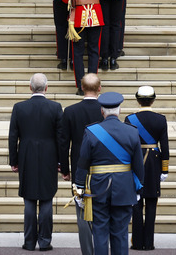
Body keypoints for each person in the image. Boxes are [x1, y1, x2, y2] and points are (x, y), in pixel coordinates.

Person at [74, 91, 144, 255]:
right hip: (124, 187)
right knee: (120, 233)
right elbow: (139, 165)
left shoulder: (91, 131)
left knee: (100, 231)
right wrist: (139, 189)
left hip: (99, 187)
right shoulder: (132, 131)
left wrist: (79, 187)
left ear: (102, 111)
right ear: (119, 110)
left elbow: (83, 162)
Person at [8, 73, 65, 251]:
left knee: (29, 199)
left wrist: (14, 160)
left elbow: (13, 137)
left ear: (30, 87)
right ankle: (45, 241)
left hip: (27, 155)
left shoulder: (19, 107)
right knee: (47, 199)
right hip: (49, 156)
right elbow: (61, 139)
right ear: (46, 88)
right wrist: (62, 163)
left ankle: (30, 241)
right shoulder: (55, 107)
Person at [61, 0, 118, 95]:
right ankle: (92, 86)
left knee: (78, 53)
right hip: (96, 16)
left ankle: (81, 87)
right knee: (94, 51)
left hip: (78, 17)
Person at [59, 73, 105, 255]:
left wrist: (65, 169)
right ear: (99, 88)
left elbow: (64, 143)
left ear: (82, 87)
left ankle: (87, 251)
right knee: (101, 211)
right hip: (102, 166)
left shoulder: (70, 111)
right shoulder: (106, 109)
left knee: (81, 213)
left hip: (79, 167)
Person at [125, 85, 169, 251]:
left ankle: (137, 242)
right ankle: (149, 242)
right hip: (154, 163)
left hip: (135, 162)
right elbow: (164, 146)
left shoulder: (130, 119)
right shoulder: (160, 119)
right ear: (153, 99)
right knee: (151, 203)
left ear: (137, 100)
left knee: (136, 204)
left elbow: (126, 145)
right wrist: (164, 169)